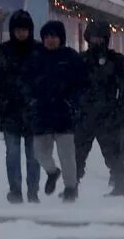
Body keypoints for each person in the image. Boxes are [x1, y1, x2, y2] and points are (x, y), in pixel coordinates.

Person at [23, 20, 88, 202]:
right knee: (40, 152)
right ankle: (52, 172)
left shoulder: (70, 57)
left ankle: (70, 188)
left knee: (67, 154)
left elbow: (82, 83)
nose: (50, 40)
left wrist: (73, 102)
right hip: (41, 113)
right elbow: (26, 82)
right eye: (47, 36)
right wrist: (31, 100)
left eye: (54, 36)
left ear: (61, 38)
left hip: (64, 113)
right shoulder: (35, 57)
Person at [0, 10, 42, 203]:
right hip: (11, 111)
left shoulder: (39, 51)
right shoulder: (2, 52)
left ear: (30, 30)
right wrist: (3, 99)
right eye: (18, 29)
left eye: (25, 29)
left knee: (34, 156)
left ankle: (33, 191)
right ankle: (16, 190)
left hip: (34, 112)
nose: (21, 33)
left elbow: (47, 79)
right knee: (12, 153)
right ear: (12, 30)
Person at [74, 20, 124, 197]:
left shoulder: (116, 61)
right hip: (86, 114)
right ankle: (72, 186)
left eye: (100, 38)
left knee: (113, 152)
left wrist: (121, 112)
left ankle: (121, 184)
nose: (97, 42)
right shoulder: (82, 60)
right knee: (78, 153)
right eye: (93, 38)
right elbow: (72, 86)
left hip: (108, 114)